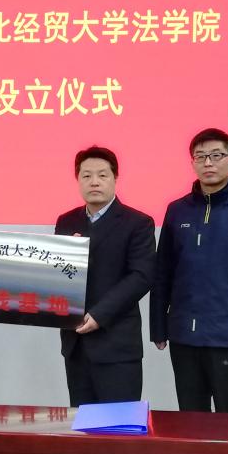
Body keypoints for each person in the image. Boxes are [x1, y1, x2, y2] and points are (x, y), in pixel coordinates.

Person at [150, 128, 228, 412]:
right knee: (189, 415)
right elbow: (163, 273)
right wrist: (159, 326)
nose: (208, 163)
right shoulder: (177, 211)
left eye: (216, 155)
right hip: (183, 335)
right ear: (193, 163)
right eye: (201, 156)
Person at [54, 146, 155, 406]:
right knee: (81, 421)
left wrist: (100, 314)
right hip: (75, 343)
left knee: (118, 425)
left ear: (115, 178)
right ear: (78, 179)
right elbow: (56, 273)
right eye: (86, 176)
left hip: (116, 344)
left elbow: (141, 276)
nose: (94, 182)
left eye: (102, 175)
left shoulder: (138, 223)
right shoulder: (66, 221)